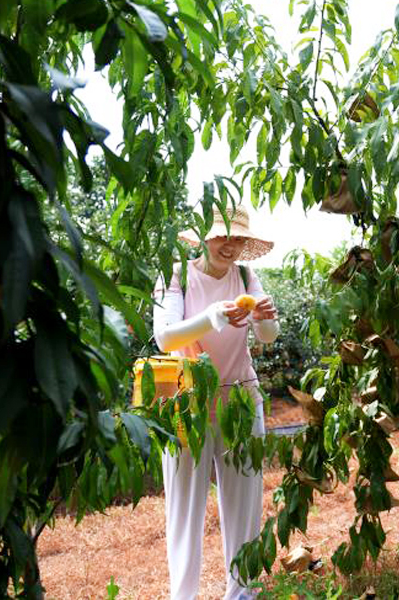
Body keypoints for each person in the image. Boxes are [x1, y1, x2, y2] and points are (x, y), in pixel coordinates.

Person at [152, 205, 279, 600]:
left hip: (241, 399)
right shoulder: (175, 275)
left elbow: (269, 335)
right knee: (185, 508)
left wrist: (266, 317)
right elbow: (166, 338)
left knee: (244, 504)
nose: (231, 245)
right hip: (187, 403)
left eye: (238, 238)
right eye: (224, 235)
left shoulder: (245, 275)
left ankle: (242, 595)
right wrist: (211, 316)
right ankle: (183, 596)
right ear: (205, 237)